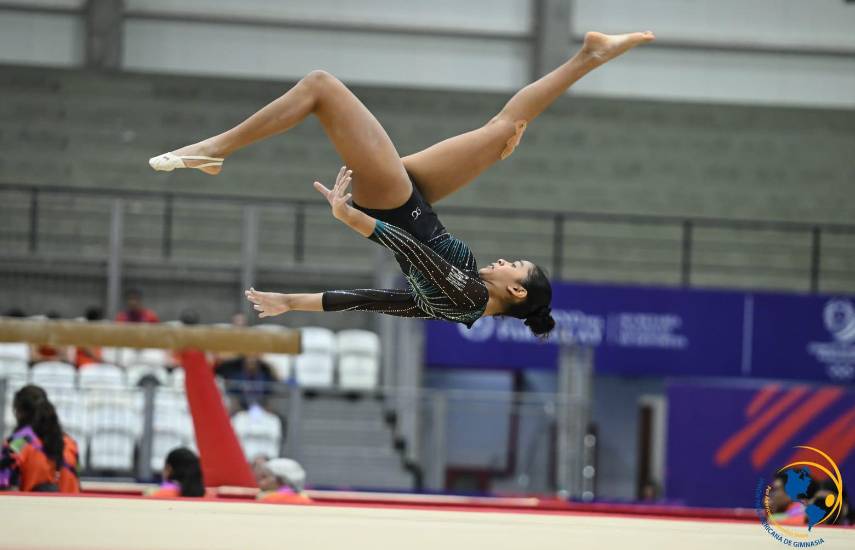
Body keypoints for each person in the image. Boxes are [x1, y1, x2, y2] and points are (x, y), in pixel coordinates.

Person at [150, 31, 656, 339]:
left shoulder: (466, 299)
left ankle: (217, 150)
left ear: (516, 289)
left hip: (390, 206)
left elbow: (418, 255)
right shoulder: (462, 306)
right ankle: (589, 56)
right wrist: (291, 301)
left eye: (512, 265)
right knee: (504, 128)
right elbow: (369, 299)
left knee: (322, 86)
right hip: (415, 197)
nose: (503, 261)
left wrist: (356, 220)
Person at [0, 385, 79, 493]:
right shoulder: (70, 443)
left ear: (19, 412)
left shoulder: (17, 442)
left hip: (30, 508)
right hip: (72, 508)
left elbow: (3, 485)